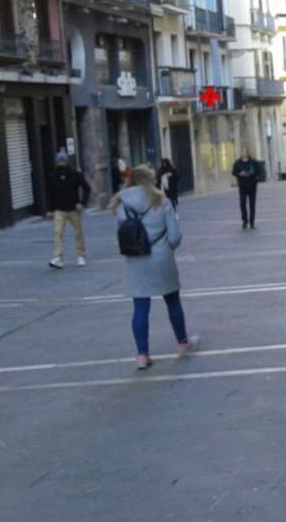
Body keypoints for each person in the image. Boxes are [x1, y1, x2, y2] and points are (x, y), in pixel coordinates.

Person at [111, 164, 196, 370]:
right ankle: (182, 342)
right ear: (150, 181)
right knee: (172, 301)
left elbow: (121, 234)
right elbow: (174, 236)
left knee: (140, 307)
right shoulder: (162, 202)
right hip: (161, 256)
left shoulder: (122, 205)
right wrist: (166, 248)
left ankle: (142, 355)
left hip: (136, 259)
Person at [47, 152, 91, 269]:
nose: (61, 164)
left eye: (63, 162)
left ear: (67, 163)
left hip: (73, 209)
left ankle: (81, 255)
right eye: (59, 162)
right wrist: (50, 209)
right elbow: (50, 194)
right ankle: (58, 257)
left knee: (78, 232)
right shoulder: (53, 176)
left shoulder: (75, 175)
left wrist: (82, 203)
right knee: (58, 232)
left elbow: (86, 188)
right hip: (59, 210)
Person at [231, 148, 260, 228]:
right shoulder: (237, 163)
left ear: (248, 153)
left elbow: (258, 171)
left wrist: (251, 173)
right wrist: (240, 174)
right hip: (242, 185)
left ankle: (252, 222)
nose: (244, 154)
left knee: (252, 204)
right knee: (242, 203)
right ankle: (245, 220)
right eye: (242, 152)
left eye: (245, 152)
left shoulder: (253, 162)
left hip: (252, 185)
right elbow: (233, 172)